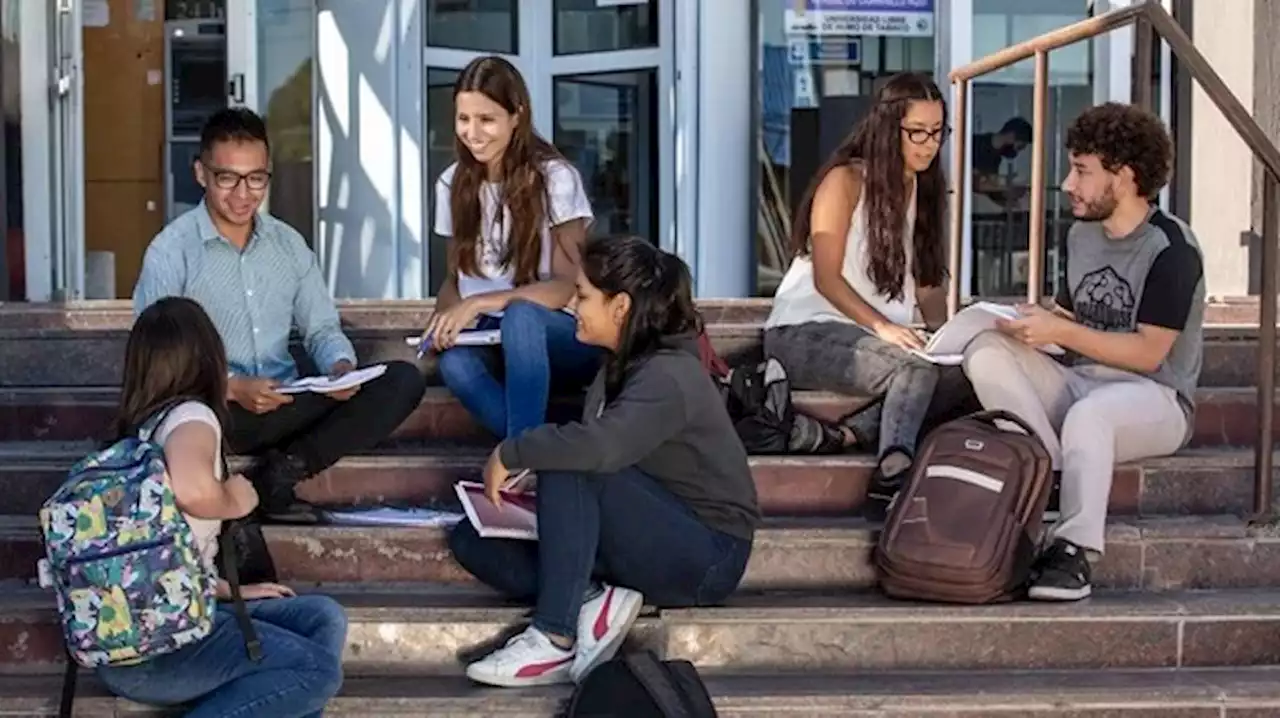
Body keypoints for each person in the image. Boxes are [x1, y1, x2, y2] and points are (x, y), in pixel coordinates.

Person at [448, 236, 759, 688]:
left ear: (620, 307)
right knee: (473, 542)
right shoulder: (619, 364)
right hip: (648, 531)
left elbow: (599, 449)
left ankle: (553, 638)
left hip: (708, 555)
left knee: (572, 461)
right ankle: (596, 597)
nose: (573, 306)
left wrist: (513, 451)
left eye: (584, 296)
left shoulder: (670, 373)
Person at [133, 108, 427, 523]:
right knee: (194, 418)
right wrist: (232, 387)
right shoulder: (171, 251)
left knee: (401, 381)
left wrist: (340, 368)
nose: (243, 194)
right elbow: (155, 361)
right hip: (214, 411)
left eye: (256, 179)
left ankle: (280, 472)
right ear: (201, 173)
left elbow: (322, 329)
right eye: (227, 178)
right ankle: (264, 480)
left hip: (285, 400)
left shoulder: (288, 245)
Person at [962, 103, 1202, 602]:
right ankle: (1052, 470)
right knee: (984, 349)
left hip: (1154, 398)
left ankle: (1073, 552)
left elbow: (1148, 354)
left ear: (1126, 176)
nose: (1069, 184)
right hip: (1081, 381)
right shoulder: (1081, 234)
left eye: (1083, 171)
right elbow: (1075, 320)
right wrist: (1030, 324)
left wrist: (1063, 333)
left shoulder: (1172, 248)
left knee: (1091, 417)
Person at [95, 296, 346, 717]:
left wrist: (231, 591)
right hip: (163, 650)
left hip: (134, 636)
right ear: (207, 356)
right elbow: (195, 492)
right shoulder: (192, 416)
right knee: (315, 669)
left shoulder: (138, 434)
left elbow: (153, 560)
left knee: (321, 618)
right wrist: (238, 497)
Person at [763, 72, 976, 520]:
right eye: (917, 131)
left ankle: (844, 437)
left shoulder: (926, 187)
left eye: (938, 132)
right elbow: (826, 278)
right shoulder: (845, 180)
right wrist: (883, 327)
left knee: (971, 375)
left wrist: (949, 336)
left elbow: (929, 284)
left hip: (879, 339)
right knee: (915, 372)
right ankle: (892, 472)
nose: (929, 143)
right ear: (886, 126)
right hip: (806, 330)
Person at [427, 55, 599, 441]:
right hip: (489, 338)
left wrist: (481, 303)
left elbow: (566, 286)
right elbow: (454, 281)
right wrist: (447, 317)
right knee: (456, 365)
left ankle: (521, 457)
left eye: (486, 120)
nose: (473, 133)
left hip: (556, 336)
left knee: (522, 316)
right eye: (463, 119)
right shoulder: (450, 184)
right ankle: (537, 445)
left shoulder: (555, 178)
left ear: (516, 116)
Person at [973, 117, 1032, 206]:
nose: (1018, 151)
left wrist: (1010, 197)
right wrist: (1006, 188)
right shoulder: (974, 144)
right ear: (1011, 136)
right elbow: (975, 182)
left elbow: (992, 191)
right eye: (1020, 146)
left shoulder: (995, 159)